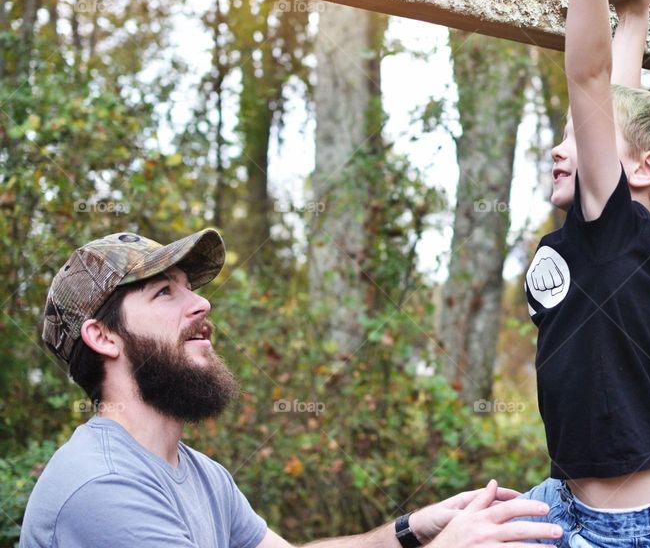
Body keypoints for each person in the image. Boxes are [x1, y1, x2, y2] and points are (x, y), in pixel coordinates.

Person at [21, 229, 564, 547]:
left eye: (192, 289)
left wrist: (412, 530)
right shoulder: (102, 487)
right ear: (103, 337)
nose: (202, 304)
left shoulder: (202, 475)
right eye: (165, 293)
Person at [519, 0, 650, 545]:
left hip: (621, 529)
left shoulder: (618, 229)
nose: (561, 148)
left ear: (644, 172)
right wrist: (635, 17)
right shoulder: (614, 237)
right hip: (568, 492)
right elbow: (614, 98)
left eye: (583, 139)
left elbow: (591, 80)